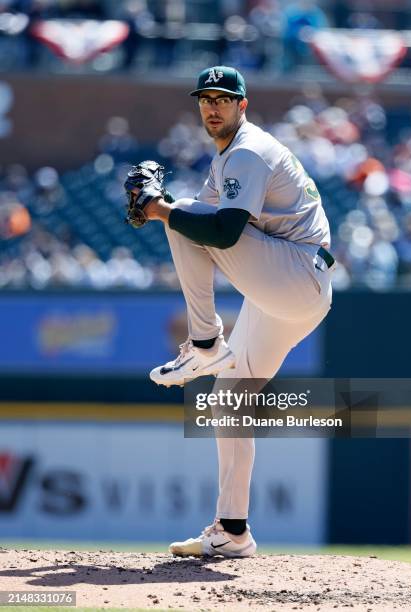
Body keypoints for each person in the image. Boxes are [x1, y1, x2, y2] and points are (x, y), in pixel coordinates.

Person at [128, 66, 334, 557]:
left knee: (180, 222)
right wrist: (167, 207)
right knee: (229, 399)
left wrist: (157, 207)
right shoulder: (227, 159)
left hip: (297, 276)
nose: (213, 106)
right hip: (286, 293)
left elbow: (219, 233)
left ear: (243, 105)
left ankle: (204, 343)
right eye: (205, 98)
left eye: (223, 98)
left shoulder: (247, 150)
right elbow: (203, 220)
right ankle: (233, 531)